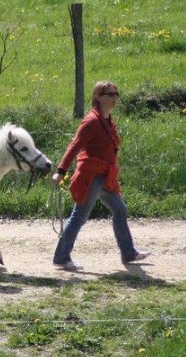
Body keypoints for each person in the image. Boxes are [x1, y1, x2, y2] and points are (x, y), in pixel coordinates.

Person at [51, 80, 150, 271]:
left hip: (105, 176)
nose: (114, 98)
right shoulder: (91, 122)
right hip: (91, 176)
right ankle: (61, 258)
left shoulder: (106, 119)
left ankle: (128, 253)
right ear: (98, 97)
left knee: (120, 210)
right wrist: (60, 171)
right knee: (79, 217)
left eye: (116, 94)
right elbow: (74, 146)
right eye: (110, 94)